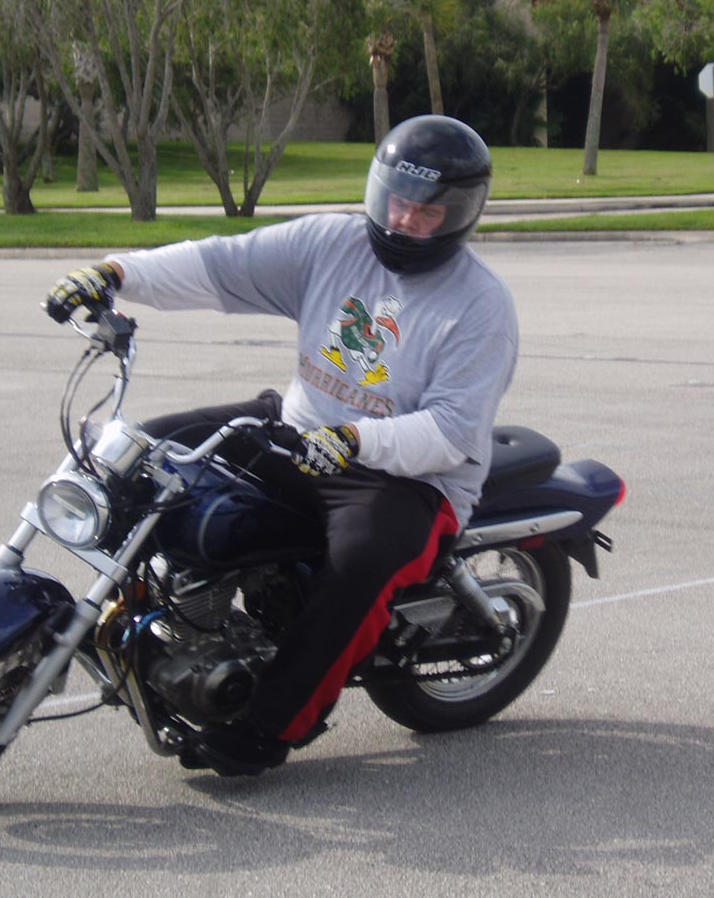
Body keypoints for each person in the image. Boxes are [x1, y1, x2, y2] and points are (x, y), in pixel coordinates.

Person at [45, 115, 518, 777]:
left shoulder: (480, 305)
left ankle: (271, 726)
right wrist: (115, 273)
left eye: (428, 211)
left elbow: (450, 432)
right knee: (140, 450)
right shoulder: (331, 242)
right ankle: (150, 615)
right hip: (300, 429)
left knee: (362, 563)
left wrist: (353, 438)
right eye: (397, 202)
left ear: (462, 213)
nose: (406, 220)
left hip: (407, 478)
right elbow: (218, 265)